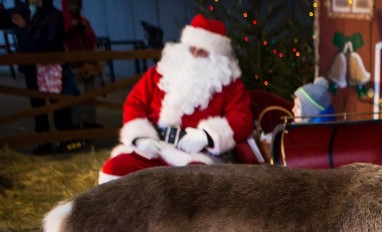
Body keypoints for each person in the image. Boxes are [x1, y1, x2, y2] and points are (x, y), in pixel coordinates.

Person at [98, 14, 253, 184]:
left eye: (202, 51)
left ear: (217, 56)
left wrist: (207, 137)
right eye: (191, 47)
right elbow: (135, 103)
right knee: (115, 170)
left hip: (193, 155)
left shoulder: (228, 84)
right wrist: (140, 137)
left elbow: (242, 120)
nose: (194, 54)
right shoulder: (161, 72)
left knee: (194, 186)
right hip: (154, 147)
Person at [1, 0, 77, 154]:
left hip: (51, 68)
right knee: (37, 106)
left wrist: (26, 27)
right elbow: (3, 20)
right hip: (31, 68)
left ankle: (65, 139)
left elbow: (53, 42)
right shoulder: (22, 10)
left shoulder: (54, 15)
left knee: (58, 105)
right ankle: (44, 143)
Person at [62, 0, 102, 129]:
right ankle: (77, 124)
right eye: (72, 4)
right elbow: (63, 40)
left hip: (88, 63)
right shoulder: (62, 22)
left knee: (90, 92)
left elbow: (92, 40)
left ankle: (90, 121)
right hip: (74, 65)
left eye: (77, 4)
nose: (75, 7)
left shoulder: (84, 21)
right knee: (77, 94)